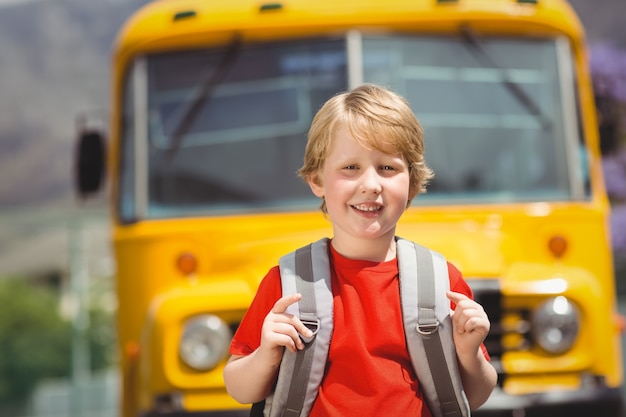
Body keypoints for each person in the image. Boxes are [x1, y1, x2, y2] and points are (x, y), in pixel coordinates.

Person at [223, 83, 498, 416]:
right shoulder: (287, 283)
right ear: (317, 180)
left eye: (388, 168)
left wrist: (469, 353)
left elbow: (477, 394)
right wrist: (266, 354)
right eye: (350, 168)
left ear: (411, 182)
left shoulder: (442, 281)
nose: (370, 184)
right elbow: (238, 387)